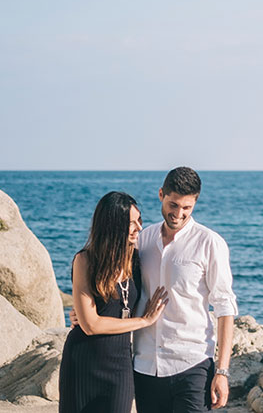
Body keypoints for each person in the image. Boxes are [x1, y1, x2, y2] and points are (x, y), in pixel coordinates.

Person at [132, 166, 238, 412]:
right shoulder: (142, 239)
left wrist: (221, 372)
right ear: (161, 194)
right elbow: (121, 286)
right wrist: (85, 312)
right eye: (173, 204)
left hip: (192, 363)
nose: (178, 213)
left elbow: (225, 307)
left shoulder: (210, 243)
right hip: (145, 364)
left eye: (187, 208)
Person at [59, 191, 168, 413]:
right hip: (82, 360)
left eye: (140, 220)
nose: (139, 227)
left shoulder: (138, 260)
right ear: (112, 225)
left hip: (120, 364)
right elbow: (91, 326)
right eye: (131, 223)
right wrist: (144, 321)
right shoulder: (85, 261)